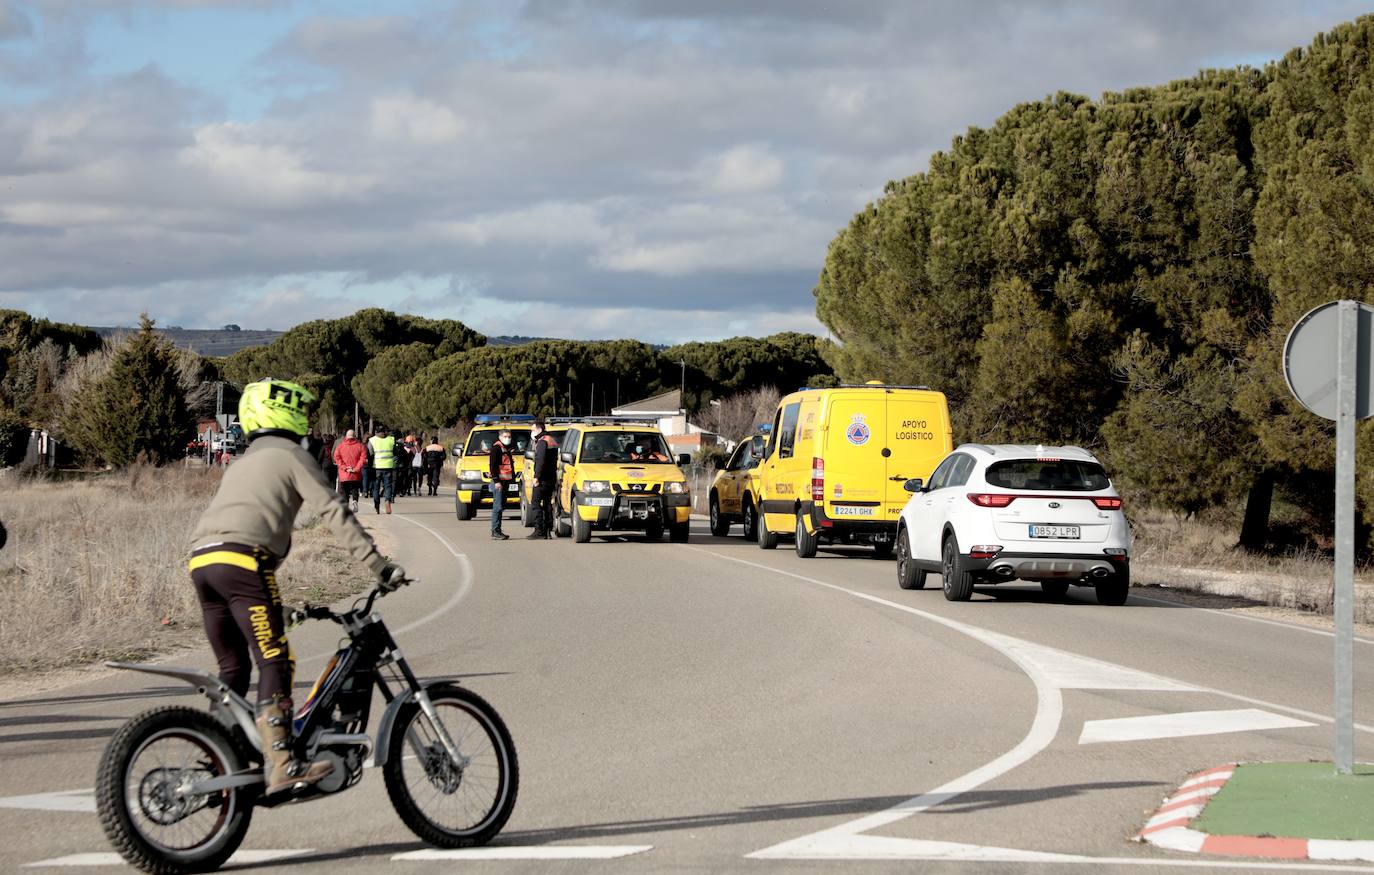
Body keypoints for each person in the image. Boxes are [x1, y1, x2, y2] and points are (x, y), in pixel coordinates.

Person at [187, 378, 405, 797]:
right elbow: (332, 510)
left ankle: (222, 756)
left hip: (203, 561)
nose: (305, 420)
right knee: (276, 661)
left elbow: (247, 519)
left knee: (233, 668)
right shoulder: (290, 455)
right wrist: (376, 564)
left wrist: (275, 607)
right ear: (284, 413)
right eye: (300, 411)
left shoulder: (244, 460)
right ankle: (283, 762)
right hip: (243, 561)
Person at [527, 419, 559, 540]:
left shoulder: (542, 442)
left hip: (543, 478)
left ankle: (539, 530)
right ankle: (547, 530)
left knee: (535, 503)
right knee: (547, 504)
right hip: (551, 477)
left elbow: (540, 461)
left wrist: (536, 477)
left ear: (539, 430)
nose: (532, 433)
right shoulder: (551, 440)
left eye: (533, 430)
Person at [488, 429, 516, 540]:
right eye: (505, 436)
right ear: (500, 437)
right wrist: (496, 481)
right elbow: (493, 466)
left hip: (505, 482)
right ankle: (495, 530)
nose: (508, 438)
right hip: (499, 482)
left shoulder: (506, 448)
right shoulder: (496, 449)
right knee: (497, 507)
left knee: (501, 506)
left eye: (509, 436)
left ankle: (498, 529)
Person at [333, 429, 367, 512]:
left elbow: (336, 458)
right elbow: (363, 458)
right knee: (355, 488)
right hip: (355, 473)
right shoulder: (360, 446)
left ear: (346, 437)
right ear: (354, 436)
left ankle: (346, 505)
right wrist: (356, 468)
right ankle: (355, 501)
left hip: (344, 473)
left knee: (345, 491)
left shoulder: (340, 446)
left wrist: (345, 467)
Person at [368, 426, 397, 514]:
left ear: (376, 432)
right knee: (388, 486)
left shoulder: (372, 440)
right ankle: (387, 500)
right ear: (385, 431)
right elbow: (395, 452)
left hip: (376, 467)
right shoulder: (391, 439)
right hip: (388, 466)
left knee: (376, 487)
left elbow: (370, 453)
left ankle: (377, 504)